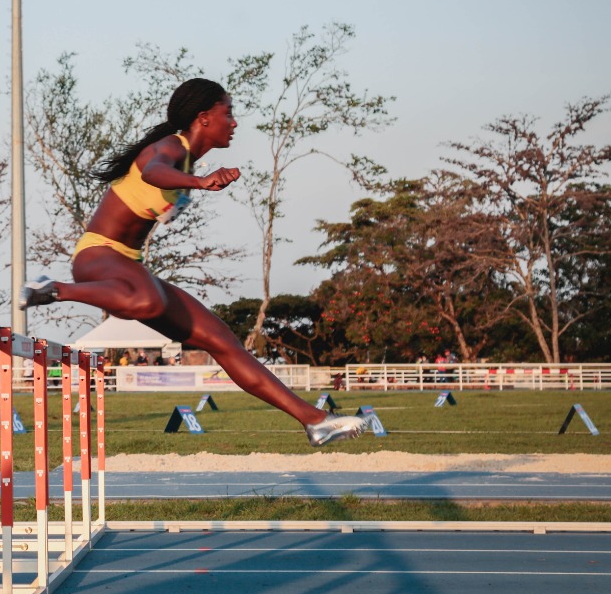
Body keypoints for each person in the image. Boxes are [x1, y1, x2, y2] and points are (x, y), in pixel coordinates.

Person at [20, 77, 366, 447]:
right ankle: (52, 289)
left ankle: (314, 421)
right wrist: (200, 182)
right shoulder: (171, 147)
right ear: (203, 118)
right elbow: (154, 171)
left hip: (127, 263)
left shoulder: (185, 158)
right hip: (98, 255)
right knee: (146, 300)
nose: (234, 123)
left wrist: (195, 179)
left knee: (223, 341)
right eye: (228, 113)